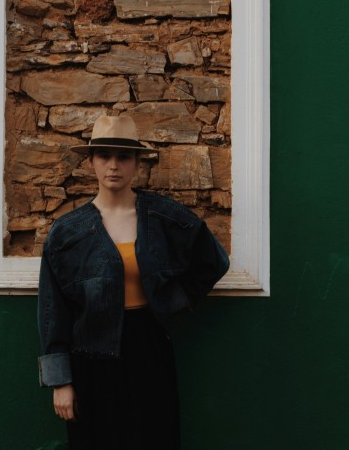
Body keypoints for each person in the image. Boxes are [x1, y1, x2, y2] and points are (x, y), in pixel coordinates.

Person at [38, 114, 229, 450]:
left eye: (124, 157)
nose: (114, 166)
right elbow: (54, 311)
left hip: (149, 348)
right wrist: (61, 382)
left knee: (154, 439)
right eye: (104, 156)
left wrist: (172, 300)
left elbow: (212, 261)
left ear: (138, 163)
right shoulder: (67, 233)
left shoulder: (162, 217)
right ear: (92, 162)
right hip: (90, 357)